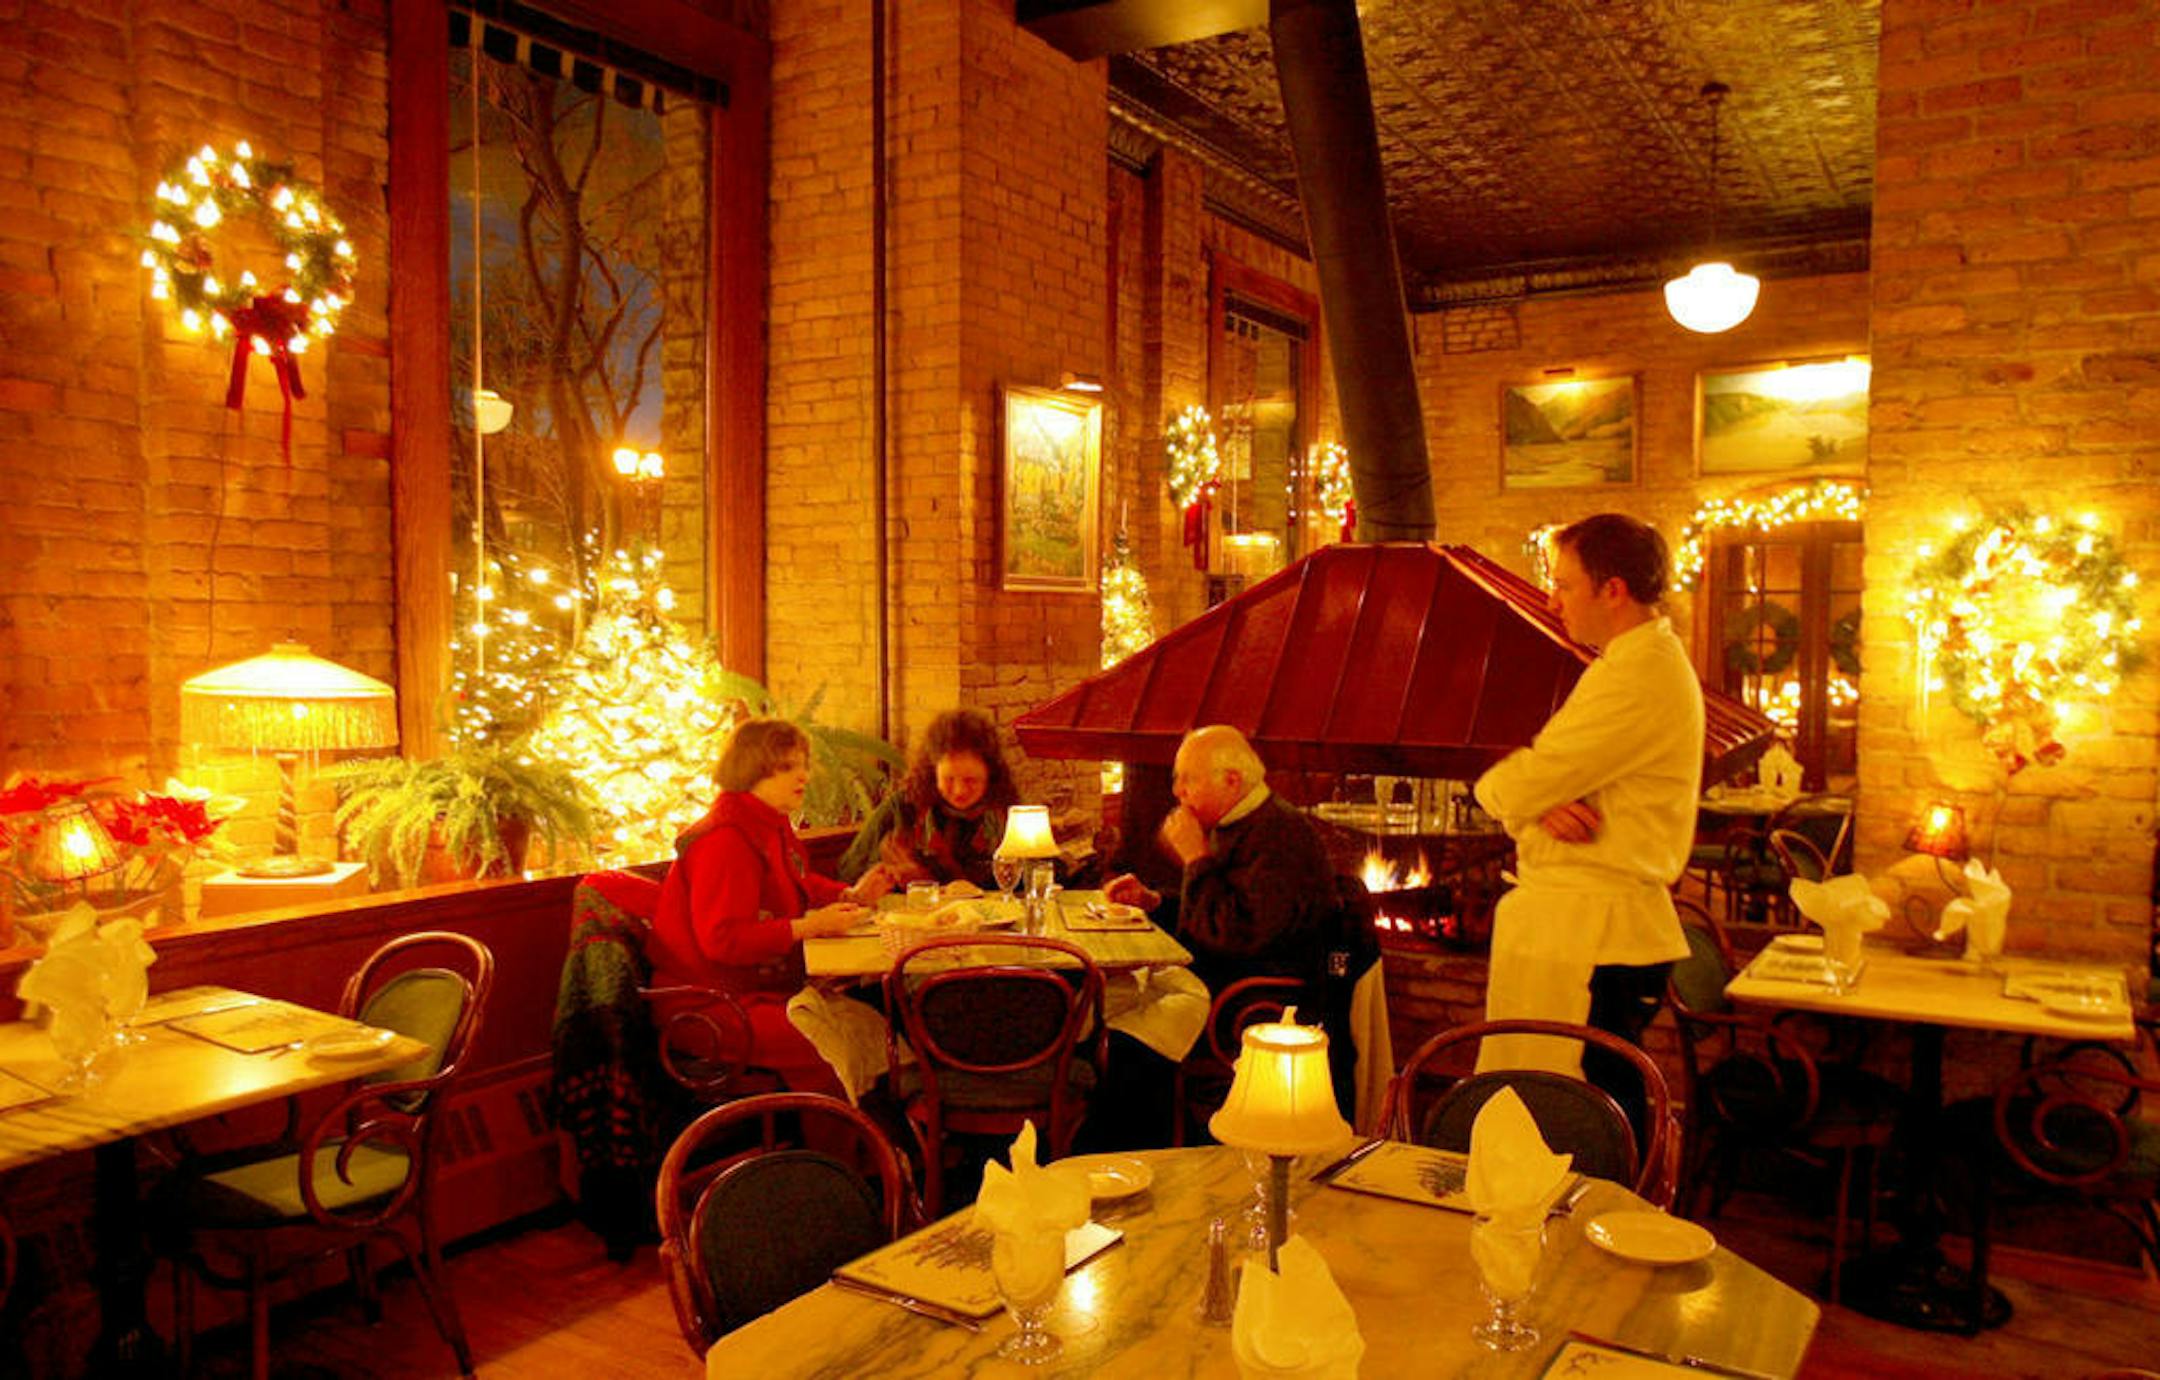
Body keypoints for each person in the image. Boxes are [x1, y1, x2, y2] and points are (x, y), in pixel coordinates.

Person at [1472, 513, 1704, 1138]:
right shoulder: (1629, 662)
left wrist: (1509, 792)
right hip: (1589, 925)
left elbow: (1521, 779)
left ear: (1614, 590)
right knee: (1576, 1099)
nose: (1553, 601)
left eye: (1565, 584)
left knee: (1586, 1111)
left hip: (1603, 935)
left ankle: (1606, 1221)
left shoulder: (1638, 675)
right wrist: (1543, 800)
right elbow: (1552, 778)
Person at [648, 717, 896, 1092]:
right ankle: (839, 1148)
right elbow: (723, 939)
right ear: (751, 770)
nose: (804, 776)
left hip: (754, 991)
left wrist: (851, 895)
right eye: (787, 767)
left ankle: (875, 1143)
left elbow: (798, 881)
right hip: (710, 1007)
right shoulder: (725, 839)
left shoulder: (767, 823)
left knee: (876, 1026)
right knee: (826, 1046)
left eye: (803, 765)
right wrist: (811, 927)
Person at [1103, 725, 1336, 992]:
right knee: (1103, 994)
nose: (1178, 791)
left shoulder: (1280, 834)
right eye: (1177, 779)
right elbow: (1218, 905)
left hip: (1250, 998)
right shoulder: (1236, 823)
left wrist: (1195, 858)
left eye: (1189, 779)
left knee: (1109, 1007)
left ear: (1231, 780)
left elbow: (1235, 937)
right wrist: (1155, 902)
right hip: (1206, 980)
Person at [838, 708, 1018, 890]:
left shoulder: (1006, 813)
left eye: (971, 781)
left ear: (990, 774)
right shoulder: (903, 808)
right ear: (933, 772)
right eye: (948, 779)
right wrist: (884, 873)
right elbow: (848, 873)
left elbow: (1025, 881)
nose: (959, 791)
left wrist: (923, 879)